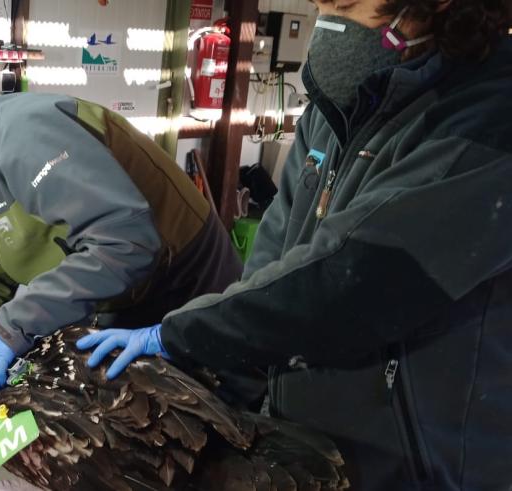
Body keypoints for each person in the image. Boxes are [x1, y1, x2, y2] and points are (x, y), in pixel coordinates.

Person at [78, 1, 512, 488]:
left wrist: (179, 334)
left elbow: (351, 281)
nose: (328, 22)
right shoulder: (335, 107)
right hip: (311, 455)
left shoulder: (490, 119)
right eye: (320, 4)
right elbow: (272, 266)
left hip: (421, 467)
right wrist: (223, 395)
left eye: (345, 6)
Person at [0, 90, 243, 402]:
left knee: (216, 424)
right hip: (117, 297)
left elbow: (125, 243)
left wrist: (12, 328)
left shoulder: (25, 138)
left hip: (184, 281)